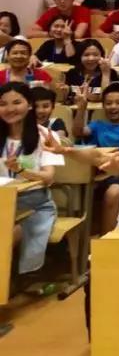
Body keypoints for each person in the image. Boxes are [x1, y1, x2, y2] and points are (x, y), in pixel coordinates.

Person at [1, 82, 62, 275]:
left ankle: (16, 282)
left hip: (33, 205)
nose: (9, 109)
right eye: (3, 104)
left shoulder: (46, 135)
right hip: (2, 202)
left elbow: (49, 177)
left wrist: (21, 170)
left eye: (16, 102)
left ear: (29, 105)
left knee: (9, 234)